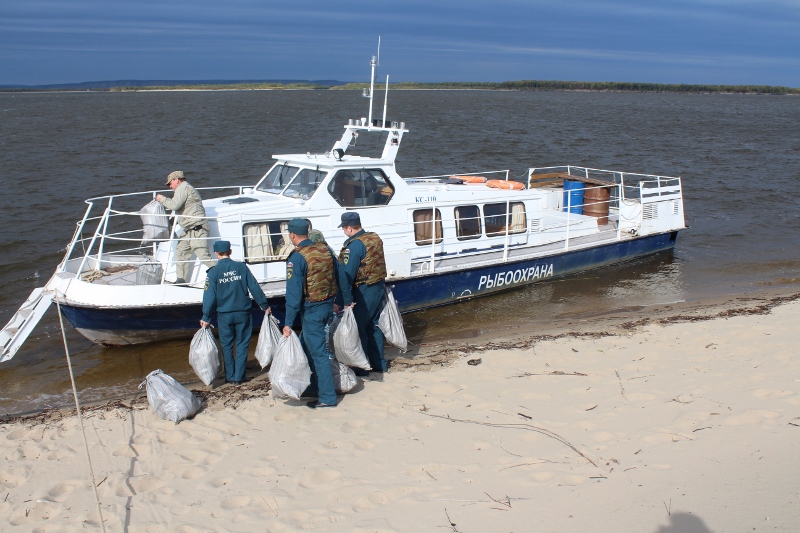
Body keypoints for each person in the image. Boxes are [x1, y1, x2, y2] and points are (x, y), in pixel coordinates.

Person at [283, 219, 339, 408]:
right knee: (307, 348)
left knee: (319, 355)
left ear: (292, 235)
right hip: (327, 305)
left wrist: (288, 323)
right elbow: (337, 276)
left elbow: (293, 294)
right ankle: (313, 387)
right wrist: (338, 302)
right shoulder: (324, 250)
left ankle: (327, 397)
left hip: (312, 311)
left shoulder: (297, 257)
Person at [200, 240, 270, 385]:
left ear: (216, 254)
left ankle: (230, 376)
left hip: (224, 314)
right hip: (243, 312)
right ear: (230, 252)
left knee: (226, 345)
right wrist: (264, 305)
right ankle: (239, 377)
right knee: (242, 344)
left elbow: (209, 296)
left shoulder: (213, 272)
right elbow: (254, 287)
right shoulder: (241, 267)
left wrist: (206, 316)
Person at [337, 212, 388, 375]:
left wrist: (343, 300)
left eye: (344, 228)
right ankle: (379, 364)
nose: (344, 231)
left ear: (349, 228)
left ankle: (362, 368)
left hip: (363, 290)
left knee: (359, 329)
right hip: (378, 286)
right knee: (374, 325)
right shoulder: (373, 238)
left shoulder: (354, 246)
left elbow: (346, 275)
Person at [156, 170, 215, 284]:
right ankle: (181, 281)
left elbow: (174, 205)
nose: (170, 186)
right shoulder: (183, 188)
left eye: (170, 183)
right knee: (181, 252)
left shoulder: (183, 187)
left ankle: (225, 278)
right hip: (188, 230)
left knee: (203, 256)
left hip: (197, 229)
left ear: (176, 180)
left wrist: (161, 199)